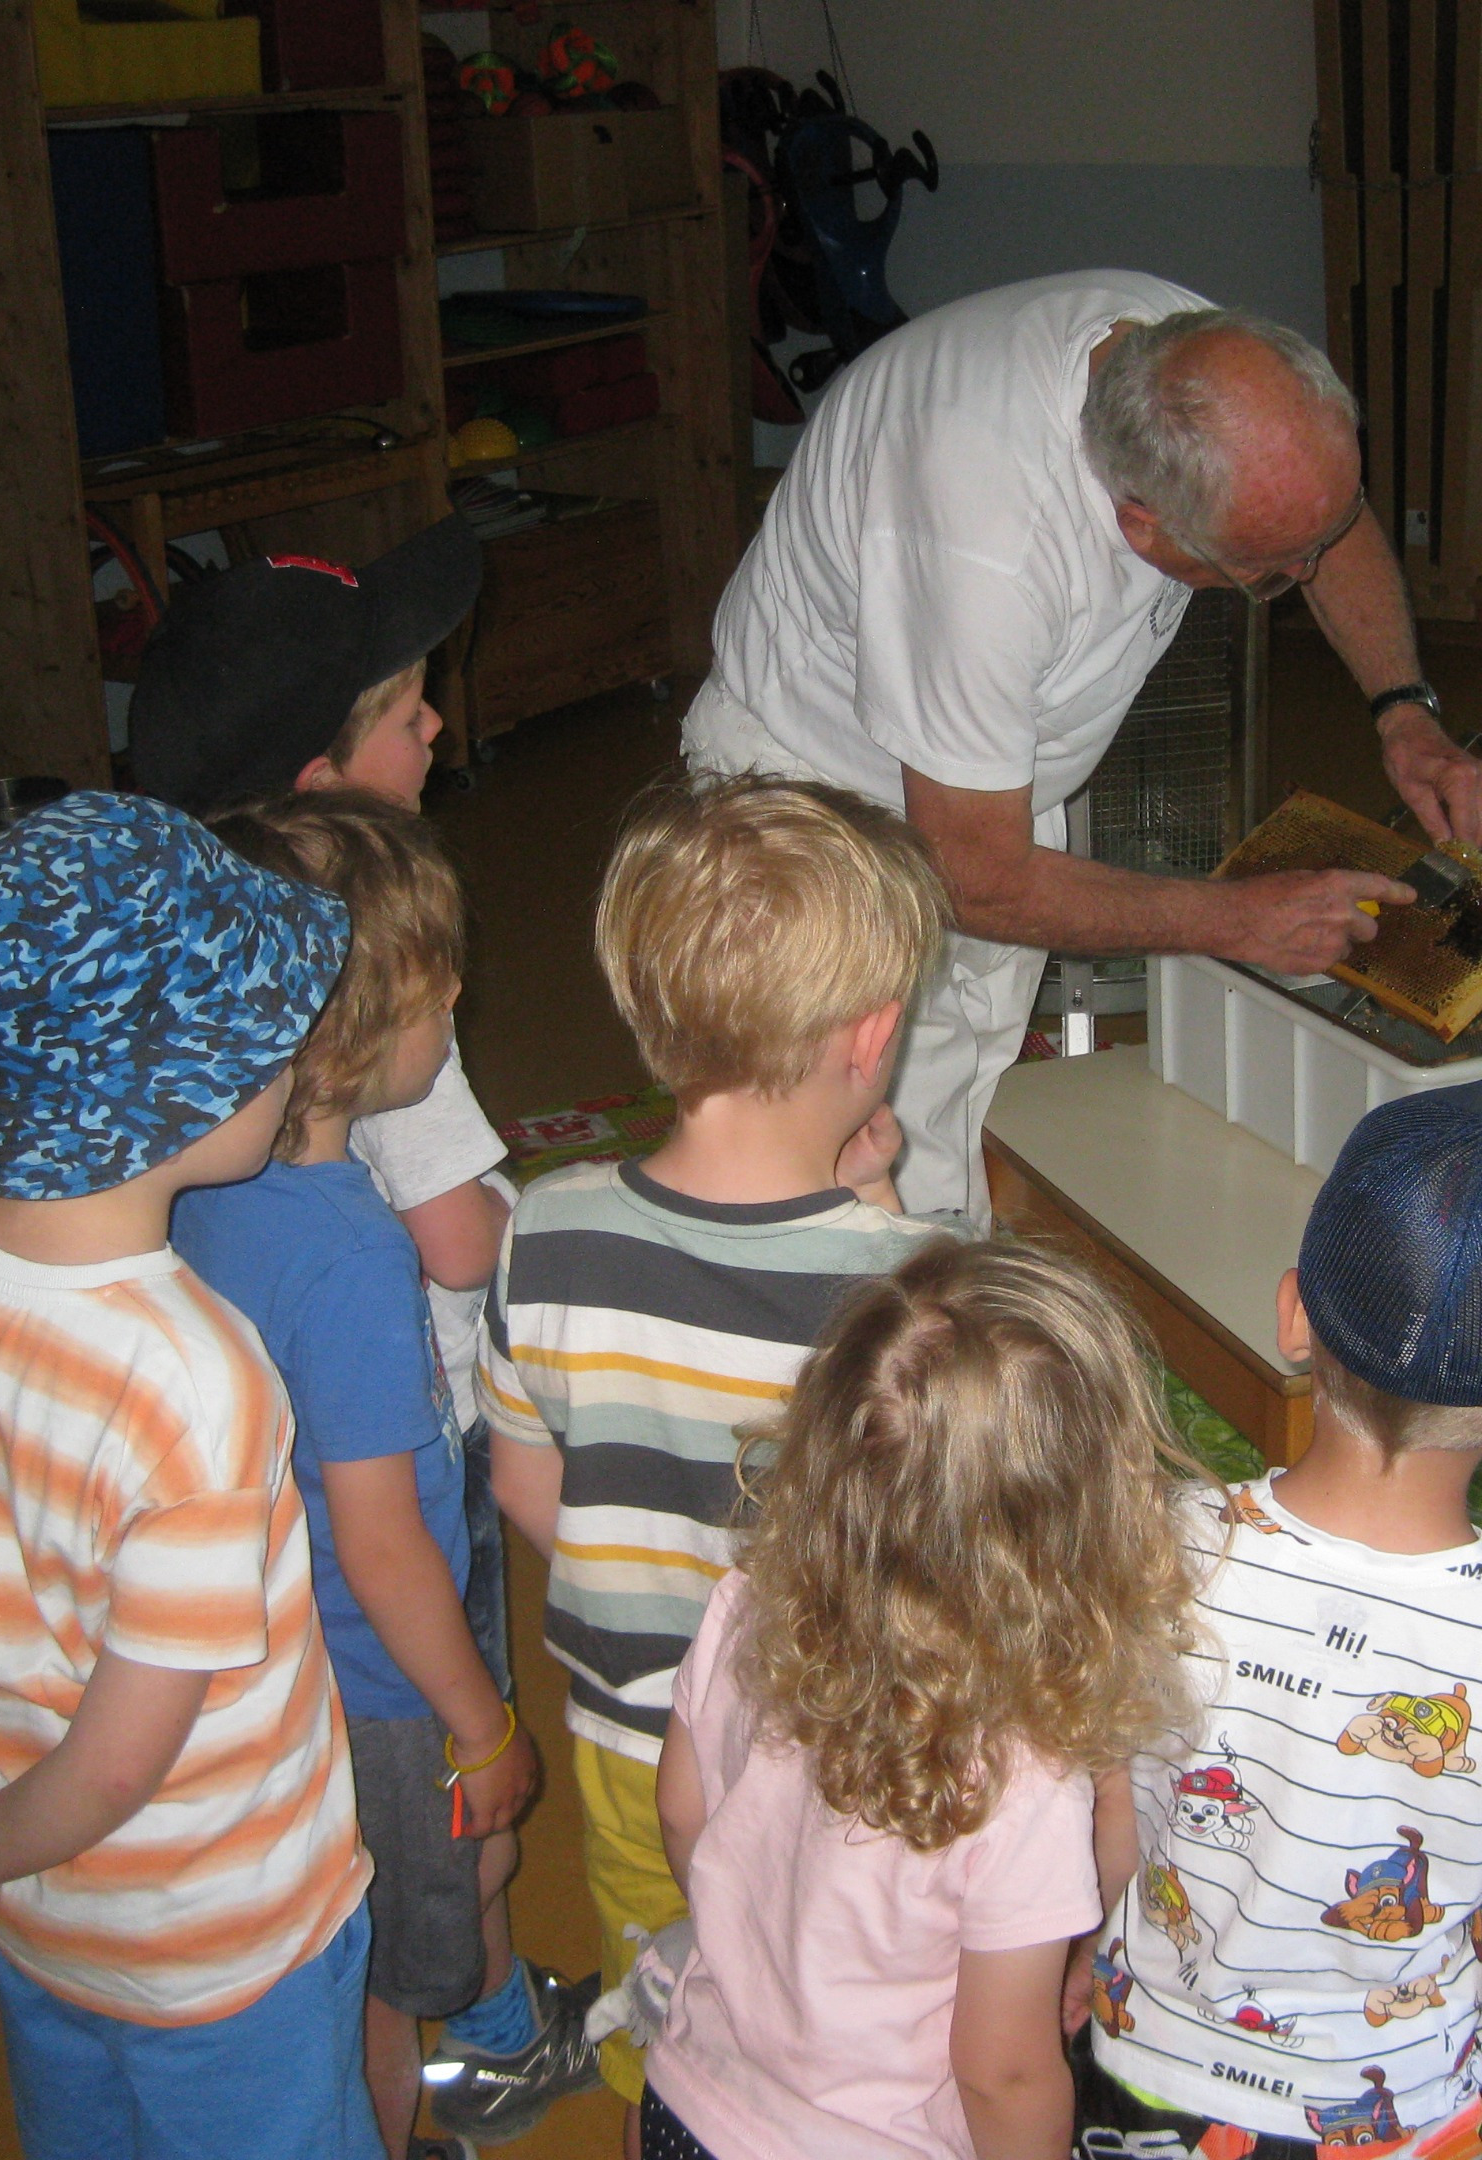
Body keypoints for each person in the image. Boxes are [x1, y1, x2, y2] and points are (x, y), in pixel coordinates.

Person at [0, 793, 379, 2160]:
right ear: (179, 1096)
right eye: (264, 1040)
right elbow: (120, 1766)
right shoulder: (197, 1381)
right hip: (225, 1950)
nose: (292, 1058)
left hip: (46, 1924)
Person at [682, 270, 1482, 1217]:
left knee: (942, 1107)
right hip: (818, 796)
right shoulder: (983, 541)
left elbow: (1324, 521)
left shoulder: (1194, 359)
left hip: (986, 785)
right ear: (1138, 522)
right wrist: (1232, 921)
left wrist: (1404, 711)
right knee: (809, 1159)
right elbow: (970, 874)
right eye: (1267, 573)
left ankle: (935, 1288)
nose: (1305, 576)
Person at [131, 522, 578, 2122]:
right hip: (394, 1497)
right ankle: (472, 2039)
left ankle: (478, 2012)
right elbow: (460, 1242)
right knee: (456, 1819)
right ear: (323, 781)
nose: (439, 726)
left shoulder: (187, 1016)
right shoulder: (376, 1034)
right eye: (407, 711)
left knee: (351, 1844)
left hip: (262, 1563)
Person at [479, 772, 957, 2142]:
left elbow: (529, 1485)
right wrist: (885, 1214)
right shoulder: (913, 1288)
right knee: (843, 2018)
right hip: (836, 1761)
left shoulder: (548, 1227)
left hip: (628, 1732)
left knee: (669, 1989)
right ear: (872, 1036)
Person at [1081, 1079, 1482, 2160]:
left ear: (1294, 1314)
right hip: (1387, 2117)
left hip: (1138, 2063)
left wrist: (1080, 1954)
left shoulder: (1151, 1544)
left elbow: (1111, 1806)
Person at [640, 1239, 1207, 2160]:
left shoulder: (748, 1609)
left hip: (693, 2100)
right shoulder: (1023, 1775)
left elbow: (681, 1811)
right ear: (1086, 1514)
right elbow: (1003, 2073)